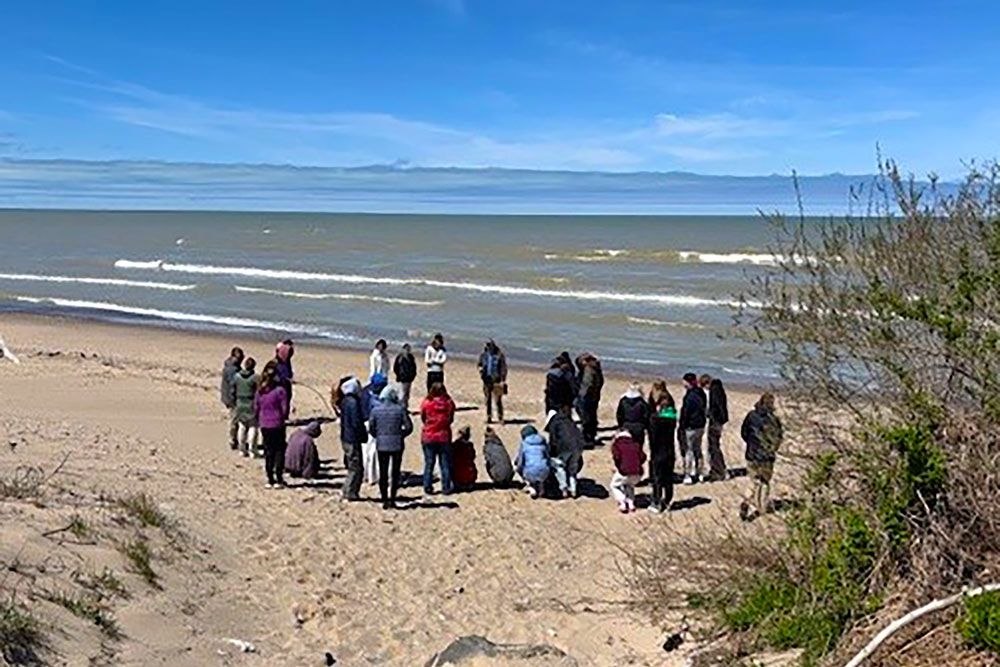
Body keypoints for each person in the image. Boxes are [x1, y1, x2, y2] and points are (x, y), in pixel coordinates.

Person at [367, 384, 413, 509]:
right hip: (397, 444)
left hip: (382, 444)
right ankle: (392, 498)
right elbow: (409, 427)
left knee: (383, 472)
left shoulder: (376, 410)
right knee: (395, 473)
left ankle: (384, 499)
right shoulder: (400, 409)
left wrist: (378, 435)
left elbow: (371, 428)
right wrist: (401, 434)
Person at [739, 393, 783, 521]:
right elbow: (778, 438)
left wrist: (751, 443)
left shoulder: (751, 416)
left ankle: (746, 501)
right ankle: (761, 507)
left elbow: (744, 433)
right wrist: (772, 449)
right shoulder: (773, 419)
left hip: (752, 454)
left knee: (754, 481)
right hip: (766, 456)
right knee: (764, 482)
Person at [254, 361, 290, 488]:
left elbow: (256, 407)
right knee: (279, 451)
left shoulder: (260, 391)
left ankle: (270, 479)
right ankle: (278, 479)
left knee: (269, 452)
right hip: (277, 424)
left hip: (265, 424)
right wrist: (284, 416)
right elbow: (284, 409)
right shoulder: (280, 391)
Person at [420, 382, 456, 495]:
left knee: (429, 463)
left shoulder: (427, 403)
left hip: (429, 436)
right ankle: (445, 487)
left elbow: (423, 417)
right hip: (443, 436)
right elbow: (451, 418)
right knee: (444, 463)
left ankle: (427, 486)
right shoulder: (449, 403)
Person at [647, 381, 678, 513]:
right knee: (668, 477)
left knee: (657, 478)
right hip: (669, 450)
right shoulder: (672, 418)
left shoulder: (655, 420)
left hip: (658, 451)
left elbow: (652, 436)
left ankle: (657, 502)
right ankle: (668, 499)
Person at [336, 377, 367, 501]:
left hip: (346, 437)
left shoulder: (345, 401)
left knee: (353, 465)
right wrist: (362, 434)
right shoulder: (352, 402)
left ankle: (349, 490)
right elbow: (356, 422)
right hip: (352, 438)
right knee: (355, 466)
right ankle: (350, 491)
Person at [544, 407, 586, 498]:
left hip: (565, 448)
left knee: (559, 466)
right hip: (579, 446)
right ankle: (573, 489)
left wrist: (551, 454)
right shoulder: (568, 421)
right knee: (572, 469)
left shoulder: (554, 423)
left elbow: (553, 442)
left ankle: (564, 488)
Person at [679, 372, 708, 484]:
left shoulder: (689, 396)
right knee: (698, 449)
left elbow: (686, 412)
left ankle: (687, 475)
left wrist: (682, 425)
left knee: (689, 451)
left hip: (691, 426)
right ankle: (700, 473)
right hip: (700, 425)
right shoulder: (701, 393)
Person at [361, 374, 389, 486]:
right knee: (373, 452)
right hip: (372, 423)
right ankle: (372, 476)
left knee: (367, 451)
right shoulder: (378, 396)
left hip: (367, 422)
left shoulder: (365, 392)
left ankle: (366, 475)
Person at [702, 375, 730, 482]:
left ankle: (719, 471)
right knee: (713, 446)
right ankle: (717, 469)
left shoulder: (715, 390)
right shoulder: (718, 388)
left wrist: (712, 416)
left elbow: (717, 406)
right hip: (718, 420)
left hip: (716, 421)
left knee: (713, 446)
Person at [610, 429, 646, 513]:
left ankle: (622, 501)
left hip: (624, 471)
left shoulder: (617, 444)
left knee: (614, 485)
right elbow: (643, 457)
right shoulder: (636, 444)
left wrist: (619, 465)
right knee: (629, 485)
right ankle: (631, 503)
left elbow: (617, 456)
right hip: (638, 473)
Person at [232, 357, 260, 458]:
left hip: (240, 403)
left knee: (242, 427)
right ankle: (252, 450)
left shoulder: (237, 376)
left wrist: (234, 400)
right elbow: (259, 391)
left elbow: (233, 390)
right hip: (251, 403)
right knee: (253, 427)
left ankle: (242, 449)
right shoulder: (255, 378)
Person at [575, 353, 604, 445]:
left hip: (587, 397)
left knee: (586, 417)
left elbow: (587, 385)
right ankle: (590, 435)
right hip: (594, 396)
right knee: (591, 416)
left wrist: (581, 394)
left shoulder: (589, 370)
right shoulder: (596, 369)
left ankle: (587, 438)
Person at [514, 425, 550, 499]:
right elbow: (547, 456)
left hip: (530, 471)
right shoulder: (542, 441)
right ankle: (541, 489)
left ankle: (531, 488)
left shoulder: (524, 444)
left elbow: (520, 460)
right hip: (544, 471)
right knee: (541, 472)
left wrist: (518, 468)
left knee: (525, 469)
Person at [477, 339, 508, 424]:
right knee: (487, 400)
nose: (488, 347)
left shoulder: (499, 355)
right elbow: (479, 364)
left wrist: (503, 380)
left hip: (496, 380)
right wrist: (480, 370)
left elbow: (503, 368)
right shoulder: (484, 355)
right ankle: (489, 417)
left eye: (489, 345)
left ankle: (500, 417)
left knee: (498, 400)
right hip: (486, 380)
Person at [220, 347, 244, 450]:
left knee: (235, 420)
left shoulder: (231, 366)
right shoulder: (232, 369)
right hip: (232, 398)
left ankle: (235, 440)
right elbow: (233, 386)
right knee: (234, 420)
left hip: (228, 397)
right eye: (239, 358)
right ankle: (233, 440)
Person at [616, 381, 650, 446]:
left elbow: (619, 415)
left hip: (626, 425)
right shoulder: (642, 403)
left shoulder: (623, 401)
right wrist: (645, 426)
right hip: (638, 427)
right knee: (638, 447)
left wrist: (621, 425)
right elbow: (646, 416)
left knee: (627, 446)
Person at [450, 425, 478, 491]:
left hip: (458, 479)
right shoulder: (469, 446)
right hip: (469, 480)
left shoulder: (455, 445)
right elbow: (473, 456)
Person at [393, 343, 418, 409]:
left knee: (407, 393)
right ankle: (401, 407)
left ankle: (405, 406)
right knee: (402, 393)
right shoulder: (399, 357)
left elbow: (414, 367)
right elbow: (395, 367)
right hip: (402, 378)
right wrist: (398, 375)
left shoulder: (411, 357)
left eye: (408, 349)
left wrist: (413, 375)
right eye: (406, 349)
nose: (407, 350)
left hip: (409, 378)